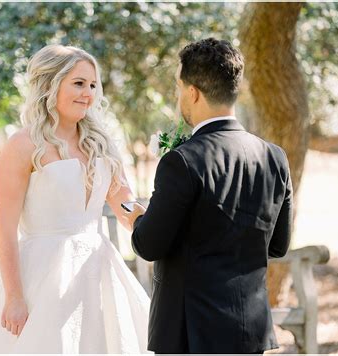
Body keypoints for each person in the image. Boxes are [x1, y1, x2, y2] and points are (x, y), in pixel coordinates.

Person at [0, 44, 150, 354]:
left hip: (98, 271)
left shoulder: (101, 145)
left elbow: (126, 207)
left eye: (93, 85)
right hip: (40, 277)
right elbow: (4, 229)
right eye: (78, 83)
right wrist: (14, 297)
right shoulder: (23, 145)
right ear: (50, 84)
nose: (88, 93)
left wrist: (161, 217)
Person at [126, 37, 293, 353]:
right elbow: (278, 245)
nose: (179, 98)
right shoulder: (275, 157)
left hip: (192, 333)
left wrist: (136, 219)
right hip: (250, 331)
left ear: (192, 92)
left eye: (178, 88)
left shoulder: (182, 161)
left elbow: (148, 244)